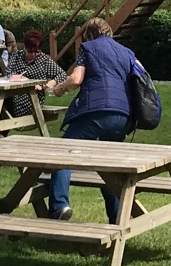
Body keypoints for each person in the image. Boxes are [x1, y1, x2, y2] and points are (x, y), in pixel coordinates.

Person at [35, 17, 148, 223]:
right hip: (122, 115)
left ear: (88, 34)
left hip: (96, 110)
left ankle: (59, 205)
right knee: (109, 166)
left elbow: (76, 79)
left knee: (65, 152)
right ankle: (117, 217)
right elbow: (142, 78)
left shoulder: (87, 48)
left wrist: (60, 88)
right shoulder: (127, 52)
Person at [2, 30, 65, 117]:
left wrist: (52, 82)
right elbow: (8, 73)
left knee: (1, 110)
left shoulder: (44, 60)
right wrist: (28, 82)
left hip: (31, 100)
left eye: (36, 51)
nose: (33, 54)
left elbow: (62, 74)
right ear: (25, 47)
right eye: (30, 51)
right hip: (13, 96)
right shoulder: (17, 56)